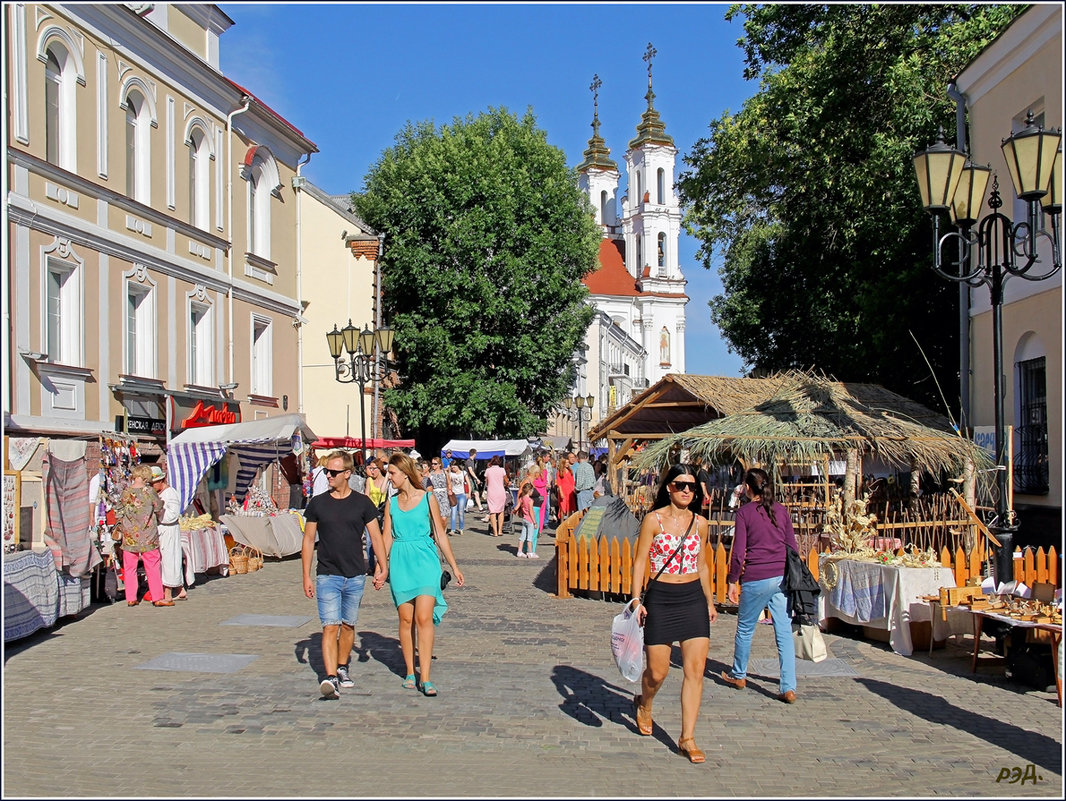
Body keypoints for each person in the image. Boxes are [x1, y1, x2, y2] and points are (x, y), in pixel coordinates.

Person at [630, 464, 717, 763]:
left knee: (695, 671)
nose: (686, 491)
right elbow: (640, 561)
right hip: (662, 599)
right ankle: (645, 703)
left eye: (692, 487)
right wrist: (635, 598)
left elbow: (702, 564)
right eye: (681, 485)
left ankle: (688, 738)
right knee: (658, 671)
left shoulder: (700, 523)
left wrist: (709, 601)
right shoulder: (653, 521)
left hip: (692, 598)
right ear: (668, 487)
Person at [301, 450, 386, 698]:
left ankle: (341, 667)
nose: (328, 475)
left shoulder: (362, 503)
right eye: (327, 471)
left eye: (334, 472)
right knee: (330, 626)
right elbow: (308, 540)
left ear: (347, 474)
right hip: (327, 573)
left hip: (355, 574)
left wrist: (382, 566)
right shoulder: (318, 503)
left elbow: (376, 536)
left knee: (348, 626)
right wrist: (306, 575)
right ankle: (329, 678)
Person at [378, 453, 464, 696]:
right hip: (401, 561)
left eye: (392, 473)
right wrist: (380, 567)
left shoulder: (428, 498)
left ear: (405, 473)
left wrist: (454, 567)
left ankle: (425, 677)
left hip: (426, 561)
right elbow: (386, 537)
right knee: (406, 620)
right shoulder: (391, 503)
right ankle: (409, 671)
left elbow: (440, 534)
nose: (389, 477)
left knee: (423, 618)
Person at [720, 467, 799, 704]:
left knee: (745, 628)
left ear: (748, 487)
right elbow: (793, 547)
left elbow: (738, 552)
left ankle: (739, 674)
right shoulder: (781, 511)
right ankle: (788, 685)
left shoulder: (745, 513)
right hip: (780, 576)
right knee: (784, 631)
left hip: (756, 576)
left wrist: (733, 580)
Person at [114, 464, 167, 607]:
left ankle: (131, 597)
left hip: (130, 535)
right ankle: (157, 597)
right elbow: (158, 507)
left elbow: (118, 510)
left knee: (130, 567)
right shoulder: (149, 491)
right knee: (152, 566)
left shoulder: (126, 492)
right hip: (148, 534)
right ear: (146, 477)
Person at [149, 465, 186, 603]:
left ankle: (168, 593)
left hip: (169, 529)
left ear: (162, 480)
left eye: (154, 483)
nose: (153, 486)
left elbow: (172, 514)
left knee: (169, 560)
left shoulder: (171, 493)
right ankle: (181, 589)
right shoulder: (159, 494)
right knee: (167, 559)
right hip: (162, 529)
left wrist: (159, 511)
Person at [363, 458, 392, 573]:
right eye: (370, 468)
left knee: (383, 539)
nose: (371, 471)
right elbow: (366, 495)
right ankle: (371, 566)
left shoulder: (387, 480)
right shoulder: (369, 480)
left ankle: (382, 563)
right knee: (370, 541)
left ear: (380, 469)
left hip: (383, 513)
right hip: (371, 513)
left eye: (374, 468)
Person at [483, 455, 508, 537]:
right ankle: (500, 530)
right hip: (500, 491)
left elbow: (486, 482)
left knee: (492, 511)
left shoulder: (488, 470)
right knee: (501, 511)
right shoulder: (502, 470)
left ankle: (495, 532)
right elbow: (506, 481)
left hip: (491, 492)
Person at [515, 482, 536, 557]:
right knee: (529, 537)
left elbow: (516, 507)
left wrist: (514, 511)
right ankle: (530, 552)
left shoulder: (522, 499)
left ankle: (519, 551)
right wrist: (535, 522)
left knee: (522, 537)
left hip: (524, 519)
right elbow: (531, 512)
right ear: (529, 491)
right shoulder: (530, 501)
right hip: (530, 520)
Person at [447, 461, 467, 536]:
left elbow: (467, 482)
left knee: (461, 512)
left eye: (454, 467)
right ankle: (453, 529)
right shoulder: (451, 474)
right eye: (452, 467)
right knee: (453, 512)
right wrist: (448, 471)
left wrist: (468, 492)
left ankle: (461, 528)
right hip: (454, 494)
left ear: (458, 466)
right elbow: (448, 482)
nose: (453, 469)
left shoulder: (463, 473)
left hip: (462, 494)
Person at [555, 455, 575, 522]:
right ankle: (562, 522)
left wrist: (573, 490)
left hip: (570, 491)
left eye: (568, 462)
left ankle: (568, 523)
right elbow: (559, 483)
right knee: (562, 508)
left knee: (570, 507)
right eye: (566, 462)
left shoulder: (570, 471)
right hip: (563, 491)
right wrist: (561, 492)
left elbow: (572, 482)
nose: (567, 464)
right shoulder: (559, 472)